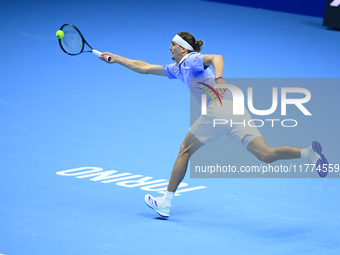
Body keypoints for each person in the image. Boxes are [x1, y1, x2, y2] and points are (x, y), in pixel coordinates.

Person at [99, 32, 328, 218]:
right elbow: (144, 67)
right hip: (233, 109)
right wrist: (116, 58)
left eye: (172, 44)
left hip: (218, 109)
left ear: (183, 48)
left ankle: (165, 203)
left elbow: (216, 57)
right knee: (265, 155)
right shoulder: (177, 68)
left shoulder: (190, 60)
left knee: (184, 150)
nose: (169, 47)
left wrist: (218, 78)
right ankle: (308, 154)